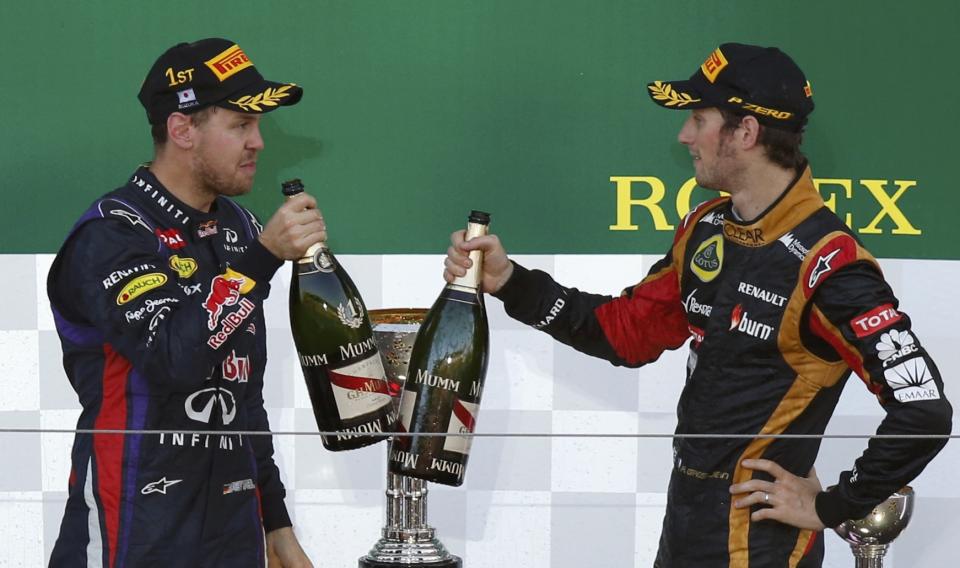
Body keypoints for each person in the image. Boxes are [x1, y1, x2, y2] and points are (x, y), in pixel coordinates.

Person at [443, 43, 952, 566]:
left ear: (746, 132)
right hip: (685, 526)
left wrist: (832, 505)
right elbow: (626, 332)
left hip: (761, 545)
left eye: (698, 118)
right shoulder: (707, 226)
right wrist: (509, 281)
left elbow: (925, 410)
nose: (684, 135)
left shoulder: (831, 265)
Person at [47, 38, 323, 567]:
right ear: (182, 129)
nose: (259, 143)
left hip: (233, 528)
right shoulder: (113, 234)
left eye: (258, 127)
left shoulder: (242, 230)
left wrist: (277, 522)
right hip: (134, 527)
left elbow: (242, 392)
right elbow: (175, 357)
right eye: (241, 126)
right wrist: (261, 262)